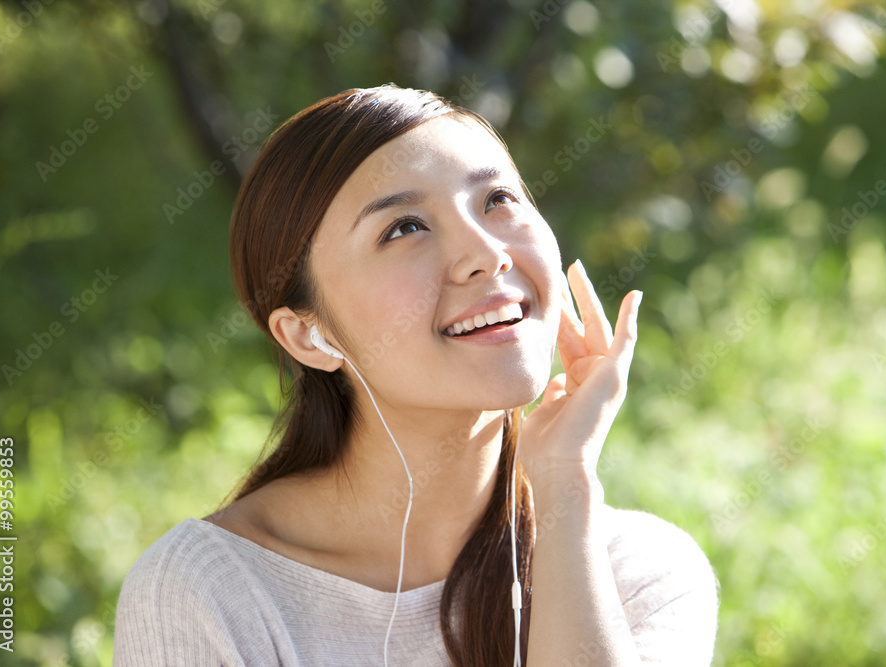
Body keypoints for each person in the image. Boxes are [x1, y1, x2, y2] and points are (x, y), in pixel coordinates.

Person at [113, 84, 718, 666]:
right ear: (309, 335)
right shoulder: (209, 594)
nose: (486, 254)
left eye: (497, 200)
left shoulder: (637, 572)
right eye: (405, 227)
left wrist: (564, 483)